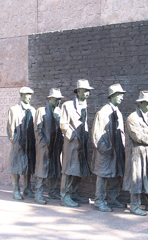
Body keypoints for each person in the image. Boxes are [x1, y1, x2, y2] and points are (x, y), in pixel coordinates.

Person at [123, 90, 148, 216]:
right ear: (140, 103)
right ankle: (134, 205)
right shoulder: (132, 118)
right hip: (136, 154)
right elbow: (140, 138)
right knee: (136, 179)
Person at [91, 83, 127, 212]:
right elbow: (97, 135)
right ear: (113, 96)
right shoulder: (103, 112)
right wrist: (106, 150)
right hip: (105, 152)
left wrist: (121, 148)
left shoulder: (117, 112)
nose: (122, 98)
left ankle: (113, 199)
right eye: (120, 95)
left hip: (117, 151)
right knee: (103, 176)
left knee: (117, 175)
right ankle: (99, 201)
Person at [59, 79, 94, 207]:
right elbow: (63, 124)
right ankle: (65, 196)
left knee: (80, 170)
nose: (87, 94)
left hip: (82, 142)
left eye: (88, 91)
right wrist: (73, 137)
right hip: (71, 144)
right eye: (85, 91)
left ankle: (74, 193)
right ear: (78, 91)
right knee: (68, 170)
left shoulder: (85, 105)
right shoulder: (67, 105)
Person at [34, 88, 64, 204]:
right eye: (56, 99)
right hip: (45, 146)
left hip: (55, 146)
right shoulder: (41, 111)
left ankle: (52, 192)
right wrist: (43, 143)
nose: (58, 101)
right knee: (42, 170)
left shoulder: (59, 111)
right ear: (50, 98)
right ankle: (38, 194)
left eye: (59, 99)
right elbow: (37, 130)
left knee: (55, 168)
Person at [7, 86, 36, 200]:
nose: (29, 97)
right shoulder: (14, 109)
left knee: (28, 165)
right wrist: (14, 139)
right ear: (21, 96)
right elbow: (10, 127)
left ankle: (27, 188)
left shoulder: (33, 110)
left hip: (30, 142)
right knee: (16, 166)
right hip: (19, 142)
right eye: (26, 95)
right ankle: (15, 189)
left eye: (30, 95)